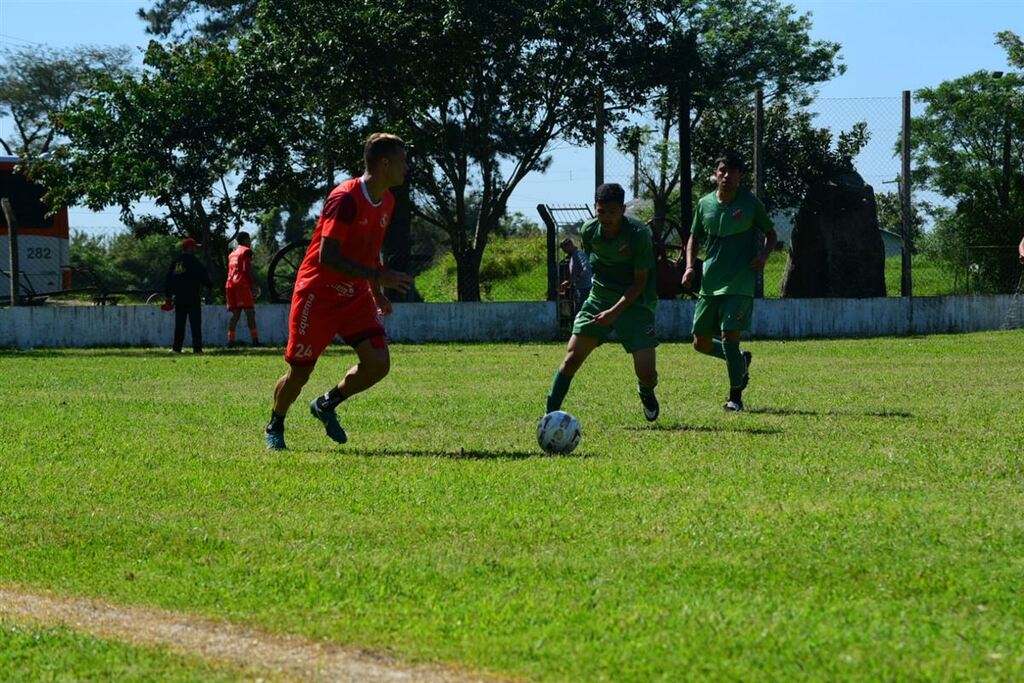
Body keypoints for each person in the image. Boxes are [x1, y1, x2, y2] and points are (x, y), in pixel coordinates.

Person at [265, 133, 415, 450]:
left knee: (378, 363)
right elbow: (327, 256)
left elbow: (370, 252)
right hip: (318, 295)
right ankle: (275, 424)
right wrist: (378, 276)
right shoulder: (345, 198)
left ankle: (326, 404)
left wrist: (376, 292)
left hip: (355, 295)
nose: (407, 167)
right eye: (402, 160)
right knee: (300, 373)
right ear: (385, 163)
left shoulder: (387, 200)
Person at [546, 183, 660, 422]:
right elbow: (594, 263)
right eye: (601, 211)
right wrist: (602, 306)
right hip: (600, 298)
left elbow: (639, 282)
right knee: (571, 359)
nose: (606, 218)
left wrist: (613, 313)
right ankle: (549, 416)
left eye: (612, 212)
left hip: (635, 302)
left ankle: (646, 391)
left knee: (647, 373)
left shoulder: (638, 235)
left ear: (623, 209)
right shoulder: (588, 231)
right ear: (595, 208)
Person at [683, 151, 777, 412]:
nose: (726, 176)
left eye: (732, 171)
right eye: (722, 170)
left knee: (729, 337)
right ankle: (739, 362)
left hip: (740, 282)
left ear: (740, 176)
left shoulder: (750, 203)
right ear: (715, 174)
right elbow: (693, 238)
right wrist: (690, 267)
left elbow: (771, 234)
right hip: (710, 282)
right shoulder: (704, 204)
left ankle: (735, 398)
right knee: (700, 343)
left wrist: (764, 256)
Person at [165, 237, 212, 354]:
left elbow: (169, 280)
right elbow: (202, 275)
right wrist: (210, 285)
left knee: (179, 323)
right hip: (192, 296)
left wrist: (168, 296)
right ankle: (197, 348)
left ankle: (177, 348)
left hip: (179, 297)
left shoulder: (176, 262)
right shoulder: (193, 261)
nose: (195, 249)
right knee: (195, 323)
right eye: (194, 247)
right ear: (189, 248)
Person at [225, 231, 259, 346]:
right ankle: (255, 340)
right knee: (250, 312)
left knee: (236, 314)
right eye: (249, 239)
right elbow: (246, 269)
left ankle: (230, 340)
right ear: (245, 240)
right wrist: (252, 285)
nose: (250, 242)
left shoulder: (232, 254)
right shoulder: (246, 251)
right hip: (241, 284)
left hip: (230, 284)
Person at [559, 237, 592, 313]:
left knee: (581, 311)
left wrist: (572, 280)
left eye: (565, 249)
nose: (565, 252)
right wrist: (569, 282)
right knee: (577, 310)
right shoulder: (573, 256)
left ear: (570, 245)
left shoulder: (579, 255)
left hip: (585, 288)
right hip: (579, 288)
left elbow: (586, 270)